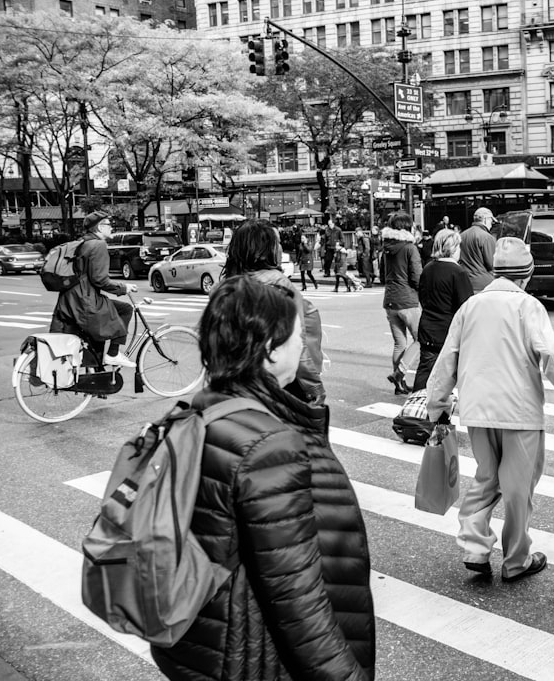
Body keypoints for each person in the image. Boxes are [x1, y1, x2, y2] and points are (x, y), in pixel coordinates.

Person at [151, 275, 374, 681]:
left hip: (200, 648)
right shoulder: (268, 445)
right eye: (295, 336)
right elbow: (296, 597)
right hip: (254, 657)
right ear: (269, 350)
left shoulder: (197, 413)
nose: (304, 345)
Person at [427, 238, 554, 581]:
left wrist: (437, 405)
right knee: (517, 488)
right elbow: (551, 356)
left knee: (486, 477)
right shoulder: (528, 307)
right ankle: (516, 561)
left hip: (478, 409)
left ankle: (475, 548)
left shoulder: (470, 306)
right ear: (525, 276)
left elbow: (447, 358)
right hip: (519, 411)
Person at [222, 219, 326, 404]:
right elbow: (296, 344)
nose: (280, 248)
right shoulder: (279, 287)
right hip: (283, 384)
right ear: (264, 249)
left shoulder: (229, 288)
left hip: (240, 384)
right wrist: (314, 386)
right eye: (276, 243)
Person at [50, 210, 138, 368]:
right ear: (99, 227)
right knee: (125, 309)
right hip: (85, 302)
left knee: (97, 335)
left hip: (71, 300)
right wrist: (124, 287)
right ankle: (113, 354)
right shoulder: (98, 245)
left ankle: (96, 378)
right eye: (108, 224)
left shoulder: (83, 243)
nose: (111, 227)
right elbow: (100, 280)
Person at [414, 228, 473, 392]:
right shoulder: (458, 272)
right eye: (459, 247)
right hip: (448, 331)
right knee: (449, 378)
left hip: (428, 328)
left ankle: (416, 408)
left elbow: (423, 297)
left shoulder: (428, 268)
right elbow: (465, 307)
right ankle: (441, 412)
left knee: (425, 372)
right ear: (453, 249)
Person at [382, 211, 422, 395]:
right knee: (421, 339)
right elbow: (416, 276)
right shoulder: (409, 248)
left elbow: (383, 274)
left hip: (390, 299)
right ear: (407, 227)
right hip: (407, 299)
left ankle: (399, 385)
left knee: (399, 343)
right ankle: (400, 372)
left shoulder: (387, 247)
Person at [459, 206, 497, 293]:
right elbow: (492, 264)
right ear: (485, 220)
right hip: (483, 285)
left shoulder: (462, 235)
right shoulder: (487, 237)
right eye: (491, 221)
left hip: (465, 283)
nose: (491, 225)